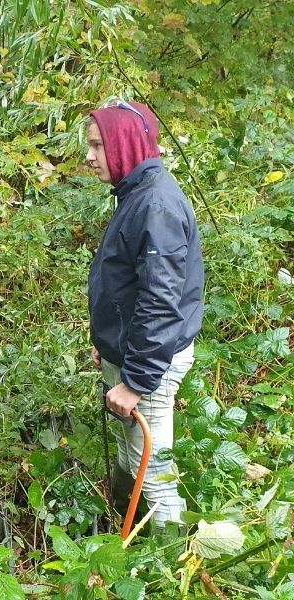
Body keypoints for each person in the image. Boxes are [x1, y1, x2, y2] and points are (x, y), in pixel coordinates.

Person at [85, 100, 205, 528]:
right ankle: (124, 532)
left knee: (152, 475)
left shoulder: (155, 205)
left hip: (151, 362)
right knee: (132, 458)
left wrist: (136, 380)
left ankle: (172, 559)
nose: (89, 156)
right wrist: (109, 345)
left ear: (125, 143)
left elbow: (160, 301)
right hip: (134, 352)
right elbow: (131, 286)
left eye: (98, 145)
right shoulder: (137, 194)